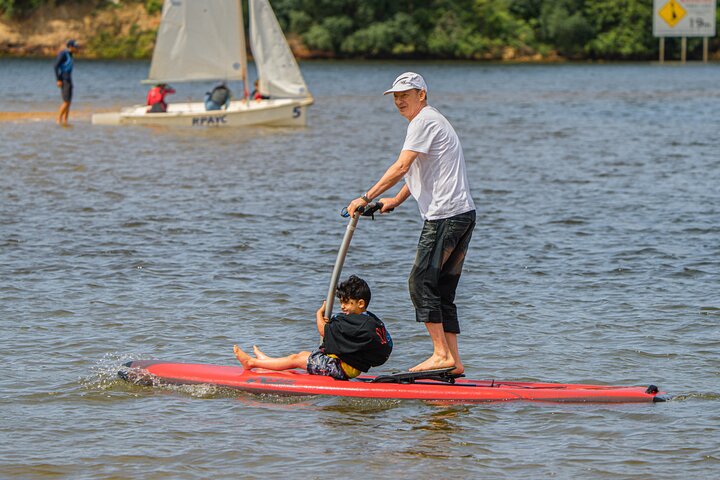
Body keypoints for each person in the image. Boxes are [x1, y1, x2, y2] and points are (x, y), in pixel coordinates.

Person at [346, 72, 476, 375]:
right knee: (442, 291)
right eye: (396, 96)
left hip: (445, 215)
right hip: (462, 214)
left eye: (406, 94)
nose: (400, 100)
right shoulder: (429, 121)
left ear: (422, 95)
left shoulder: (423, 122)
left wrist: (366, 197)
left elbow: (402, 165)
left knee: (420, 282)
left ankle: (441, 355)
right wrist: (395, 200)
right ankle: (453, 363)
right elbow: (417, 169)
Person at [233, 275, 392, 380]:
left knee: (297, 359)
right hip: (344, 365)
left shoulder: (356, 322)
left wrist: (318, 314)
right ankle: (267, 362)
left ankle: (251, 363)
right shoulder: (369, 320)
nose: (342, 306)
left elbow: (324, 331)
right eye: (341, 302)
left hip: (341, 369)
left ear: (360, 303)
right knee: (300, 356)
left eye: (346, 303)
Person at [53, 39, 79, 126]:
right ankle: (58, 119)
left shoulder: (71, 55)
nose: (77, 49)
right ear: (70, 47)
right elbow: (55, 66)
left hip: (69, 79)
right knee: (66, 101)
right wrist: (58, 80)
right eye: (75, 47)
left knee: (69, 102)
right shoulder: (63, 54)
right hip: (64, 79)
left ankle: (65, 120)